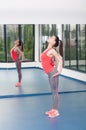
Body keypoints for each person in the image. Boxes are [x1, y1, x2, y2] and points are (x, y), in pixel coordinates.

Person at [40, 35, 63, 118]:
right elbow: (55, 60)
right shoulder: (47, 49)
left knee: (55, 92)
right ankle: (53, 109)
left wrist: (59, 71)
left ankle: (56, 111)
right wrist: (55, 67)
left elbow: (60, 59)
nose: (50, 37)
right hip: (50, 73)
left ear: (54, 42)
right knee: (53, 92)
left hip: (52, 73)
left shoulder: (52, 50)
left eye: (52, 38)